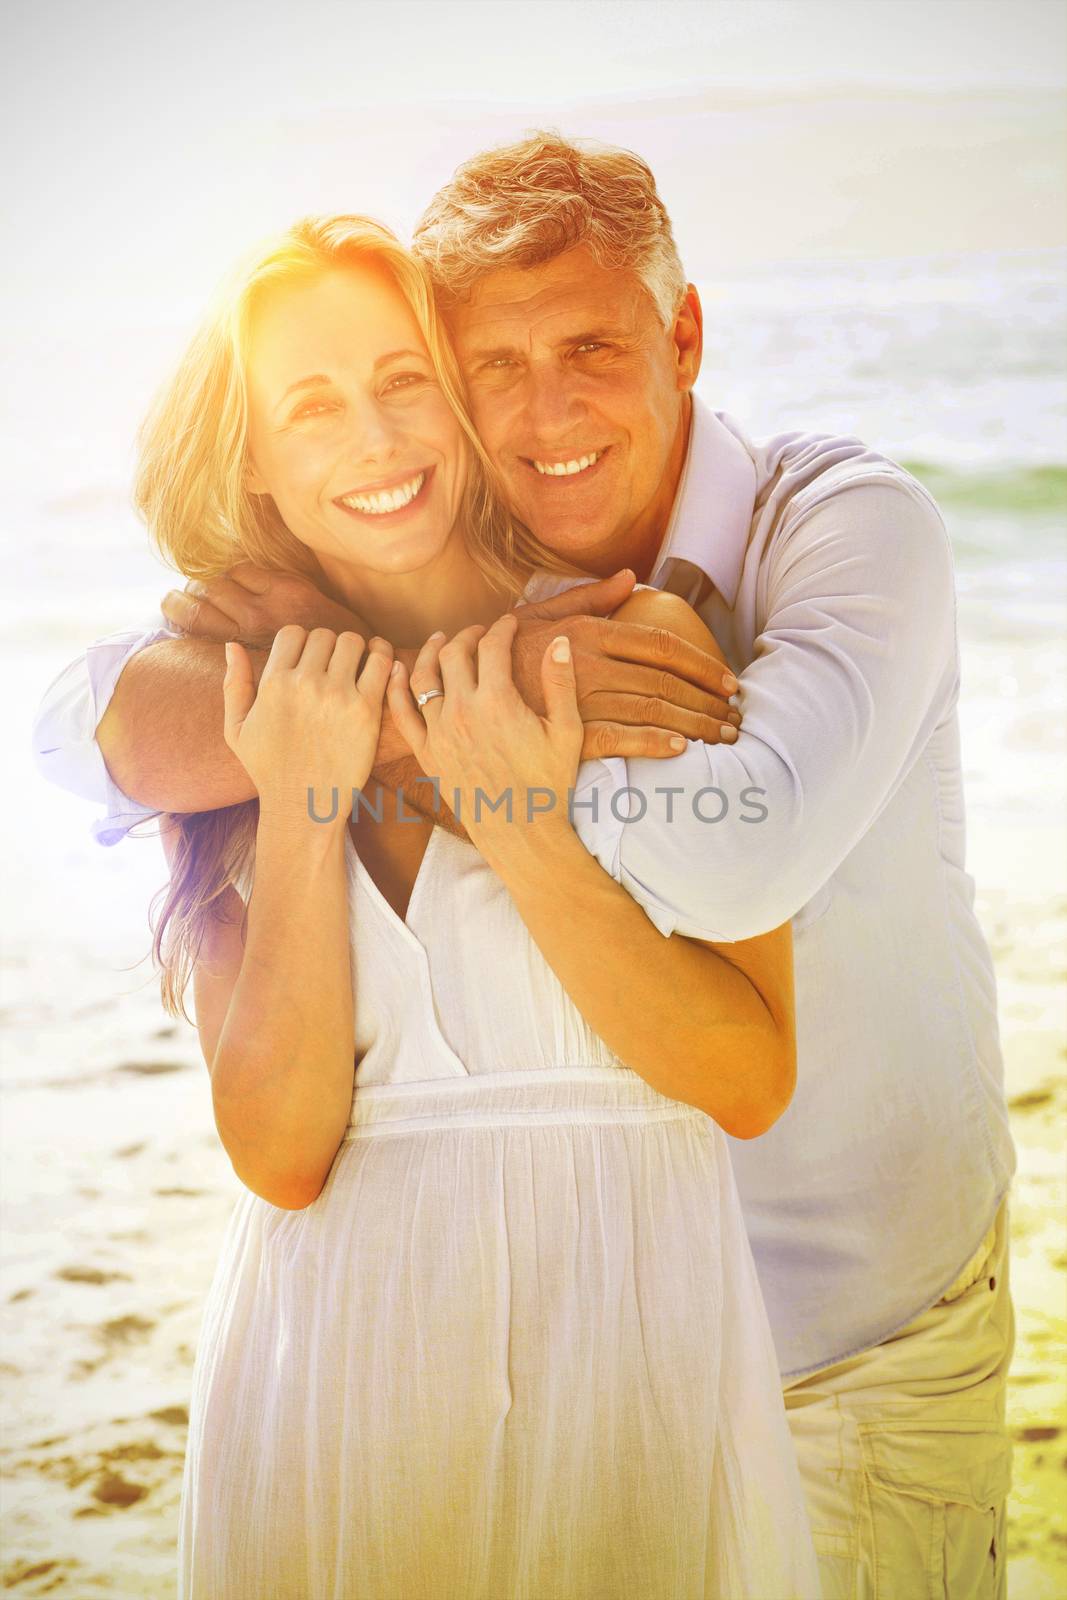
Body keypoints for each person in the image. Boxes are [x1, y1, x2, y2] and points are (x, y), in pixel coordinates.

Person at [32, 133, 1017, 1599]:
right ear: (251, 459)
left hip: (754, 1351)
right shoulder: (258, 730)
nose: (379, 437)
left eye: (400, 380)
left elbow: (747, 1008)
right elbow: (277, 1147)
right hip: (352, 1378)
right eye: (313, 405)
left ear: (685, 337)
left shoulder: (684, 620)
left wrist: (475, 756)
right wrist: (354, 754)